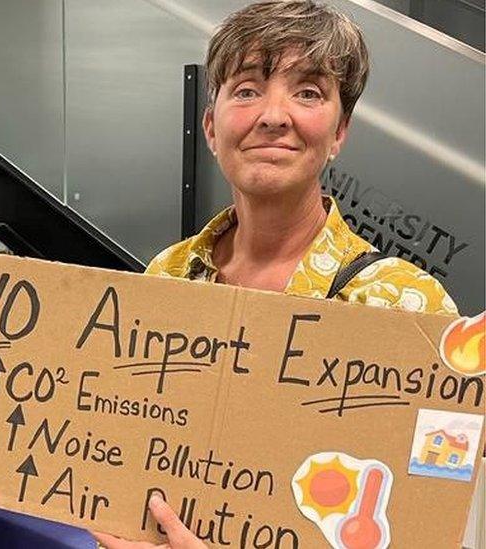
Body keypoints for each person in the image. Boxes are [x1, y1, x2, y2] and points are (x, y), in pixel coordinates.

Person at [99, 1, 458, 547]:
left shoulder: (409, 307)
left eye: (308, 92)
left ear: (339, 132)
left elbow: (426, 524)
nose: (273, 114)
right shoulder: (165, 276)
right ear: (211, 127)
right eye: (246, 89)